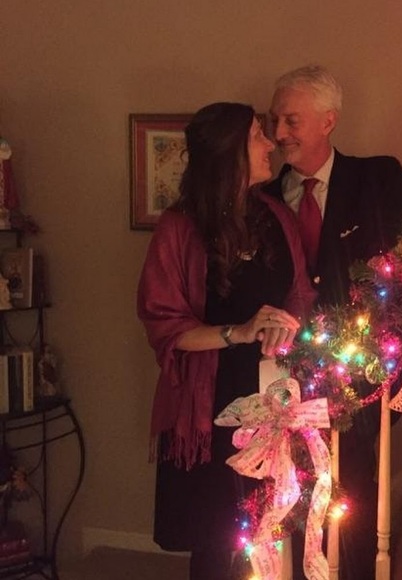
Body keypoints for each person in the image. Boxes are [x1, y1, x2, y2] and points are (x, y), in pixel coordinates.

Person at [137, 102, 316, 580]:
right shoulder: (180, 227)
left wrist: (287, 325)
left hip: (271, 395)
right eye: (258, 134)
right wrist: (238, 332)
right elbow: (166, 327)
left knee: (272, 526)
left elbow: (299, 292)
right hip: (209, 402)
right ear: (228, 151)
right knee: (217, 537)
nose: (270, 143)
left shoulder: (276, 216)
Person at [265, 65, 402, 580]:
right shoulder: (263, 197)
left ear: (328, 121)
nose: (279, 132)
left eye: (291, 120)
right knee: (288, 497)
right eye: (274, 120)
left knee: (352, 494)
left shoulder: (378, 179)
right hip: (283, 378)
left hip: (357, 376)